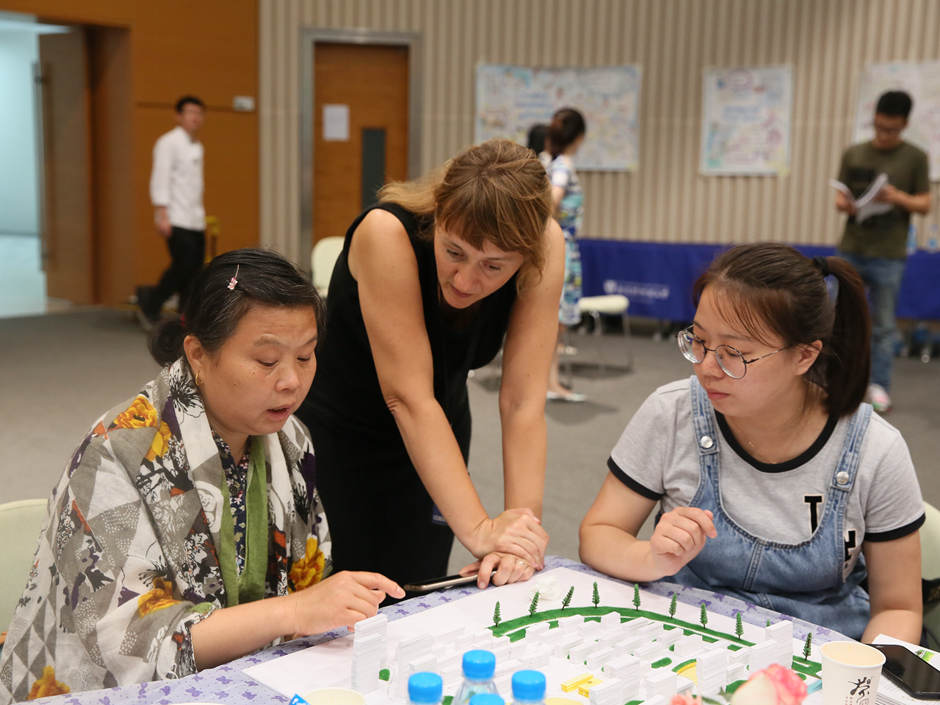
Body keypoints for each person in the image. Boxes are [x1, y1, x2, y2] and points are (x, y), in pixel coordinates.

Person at [0, 250, 403, 703]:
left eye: (306, 356)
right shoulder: (116, 453)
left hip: (245, 674)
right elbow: (125, 641)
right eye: (267, 360)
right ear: (197, 354)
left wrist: (318, 607)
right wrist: (293, 611)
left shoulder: (291, 438)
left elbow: (308, 579)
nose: (292, 380)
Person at [579, 244, 924, 642]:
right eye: (700, 342)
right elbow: (599, 533)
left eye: (735, 354)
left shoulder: (872, 449)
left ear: (804, 356)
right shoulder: (673, 413)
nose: (707, 368)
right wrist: (651, 557)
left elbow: (897, 607)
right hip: (686, 639)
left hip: (818, 654)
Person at [296, 139, 564, 590]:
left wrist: (520, 535)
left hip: (437, 432)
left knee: (411, 589)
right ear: (439, 211)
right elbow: (406, 396)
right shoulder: (386, 233)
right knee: (335, 600)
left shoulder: (547, 244)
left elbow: (522, 401)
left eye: (494, 267)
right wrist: (480, 530)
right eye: (454, 251)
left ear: (526, 254)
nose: (465, 279)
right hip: (341, 437)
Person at [835, 90, 931, 413]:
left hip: (889, 252)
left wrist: (896, 198)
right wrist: (847, 203)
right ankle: (840, 382)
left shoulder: (915, 157)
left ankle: (879, 386)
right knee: (842, 318)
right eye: (878, 127)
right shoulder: (854, 153)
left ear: (904, 125)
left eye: (890, 129)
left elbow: (925, 203)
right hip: (852, 247)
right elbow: (839, 198)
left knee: (884, 325)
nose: (883, 135)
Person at [136, 95, 209, 330]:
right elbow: (160, 178)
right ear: (178, 116)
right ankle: (150, 302)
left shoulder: (197, 146)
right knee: (183, 265)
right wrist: (162, 213)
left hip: (195, 218)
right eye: (190, 112)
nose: (195, 117)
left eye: (198, 113)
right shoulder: (168, 142)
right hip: (175, 217)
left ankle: (185, 317)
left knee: (195, 271)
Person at [542, 108, 588, 402]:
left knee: (555, 320)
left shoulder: (553, 163)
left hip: (561, 244)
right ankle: (550, 382)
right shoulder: (563, 166)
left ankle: (552, 381)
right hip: (562, 246)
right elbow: (552, 199)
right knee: (554, 319)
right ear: (580, 137)